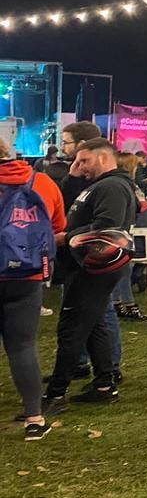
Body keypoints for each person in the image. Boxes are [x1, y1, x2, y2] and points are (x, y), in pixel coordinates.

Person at [43, 138, 139, 416]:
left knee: (72, 328)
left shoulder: (112, 187)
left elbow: (107, 230)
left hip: (94, 268)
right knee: (94, 325)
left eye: (84, 161)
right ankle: (104, 385)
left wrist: (66, 237)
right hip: (84, 266)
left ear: (103, 158)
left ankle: (56, 394)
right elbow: (73, 204)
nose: (78, 165)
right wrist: (73, 176)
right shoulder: (99, 185)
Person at [1, 138, 65, 439]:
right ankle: (34, 419)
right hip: (27, 275)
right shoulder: (42, 182)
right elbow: (57, 226)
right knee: (22, 346)